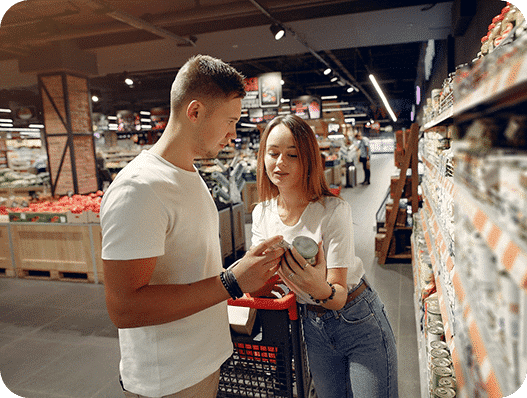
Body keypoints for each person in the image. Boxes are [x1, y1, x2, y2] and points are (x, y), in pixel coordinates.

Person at [100, 55, 285, 398]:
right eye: (230, 121)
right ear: (195, 112)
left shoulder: (190, 175)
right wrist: (232, 282)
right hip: (167, 380)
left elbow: (191, 271)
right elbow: (124, 307)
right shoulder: (139, 189)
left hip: (203, 362)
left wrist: (244, 276)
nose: (234, 133)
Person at [251, 114, 398, 398]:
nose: (280, 163)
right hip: (312, 326)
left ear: (307, 160)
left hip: (357, 318)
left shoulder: (332, 210)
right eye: (273, 153)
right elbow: (262, 283)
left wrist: (316, 285)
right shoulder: (262, 214)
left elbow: (338, 294)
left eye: (292, 154)